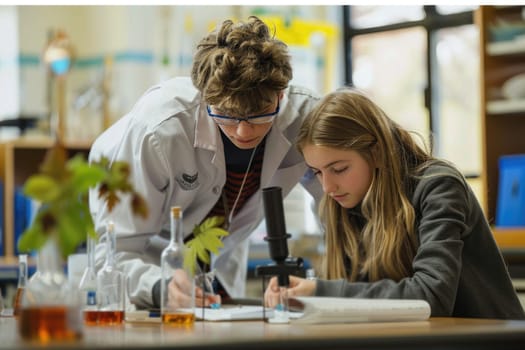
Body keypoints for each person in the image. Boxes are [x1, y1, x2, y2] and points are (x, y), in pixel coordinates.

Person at [88, 16, 323, 309]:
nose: (243, 131)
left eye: (260, 113)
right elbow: (115, 252)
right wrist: (159, 288)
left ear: (281, 94)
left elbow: (338, 205)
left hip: (219, 258)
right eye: (228, 113)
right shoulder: (159, 130)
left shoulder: (306, 118)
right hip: (148, 260)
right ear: (205, 96)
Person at [265, 88, 525, 319]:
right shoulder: (344, 205)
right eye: (318, 172)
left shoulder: (439, 186)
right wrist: (306, 298)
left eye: (339, 168)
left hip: (488, 340)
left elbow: (431, 296)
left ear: (376, 153)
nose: (327, 187)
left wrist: (321, 291)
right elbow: (361, 299)